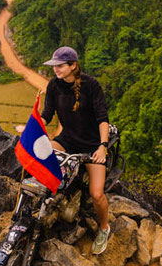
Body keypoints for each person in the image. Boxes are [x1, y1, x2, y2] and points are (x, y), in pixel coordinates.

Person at [40, 46, 111, 255]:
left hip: (91, 145)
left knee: (97, 194)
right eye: (54, 66)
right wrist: (33, 128)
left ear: (73, 66)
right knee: (43, 158)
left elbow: (102, 119)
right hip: (67, 141)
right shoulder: (54, 85)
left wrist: (103, 147)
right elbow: (47, 114)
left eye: (60, 66)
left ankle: (104, 227)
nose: (56, 70)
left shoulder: (91, 85)